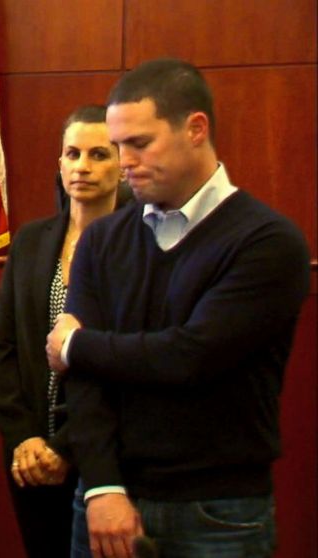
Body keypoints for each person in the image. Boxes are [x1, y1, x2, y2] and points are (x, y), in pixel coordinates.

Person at [45, 58, 311, 558]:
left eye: (140, 143)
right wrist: (102, 485)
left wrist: (78, 344)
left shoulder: (267, 242)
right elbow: (85, 384)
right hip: (104, 501)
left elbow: (191, 357)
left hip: (217, 512)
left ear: (195, 129)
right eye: (119, 145)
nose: (124, 162)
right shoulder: (102, 239)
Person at [0, 104, 130, 558]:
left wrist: (64, 448)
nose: (83, 166)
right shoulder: (32, 241)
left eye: (99, 154)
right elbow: (3, 346)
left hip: (106, 456)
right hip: (30, 456)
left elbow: (128, 363)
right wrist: (24, 439)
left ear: (123, 167)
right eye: (73, 154)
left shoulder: (139, 247)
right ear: (60, 164)